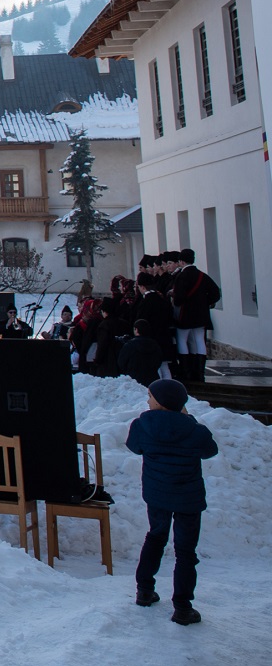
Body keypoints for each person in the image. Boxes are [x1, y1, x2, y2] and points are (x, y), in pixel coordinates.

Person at [127, 377, 219, 625]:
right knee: (185, 551)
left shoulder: (142, 424)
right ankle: (182, 607)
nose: (147, 400)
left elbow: (133, 447)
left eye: (151, 396)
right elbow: (210, 450)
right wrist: (187, 419)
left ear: (160, 402)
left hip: (157, 494)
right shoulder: (193, 429)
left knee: (155, 536)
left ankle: (144, 591)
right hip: (188, 498)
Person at [168, 252, 222, 384]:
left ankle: (187, 371)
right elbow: (215, 293)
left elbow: (179, 299)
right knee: (200, 341)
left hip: (185, 315)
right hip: (201, 315)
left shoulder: (181, 277)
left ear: (181, 262)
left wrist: (173, 296)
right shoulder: (202, 276)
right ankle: (200, 372)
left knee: (182, 341)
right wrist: (204, 302)